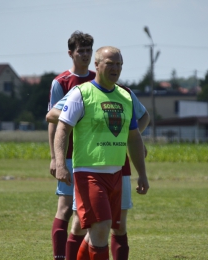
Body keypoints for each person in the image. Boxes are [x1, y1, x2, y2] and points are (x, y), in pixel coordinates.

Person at [53, 46, 149, 260]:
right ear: (96, 66)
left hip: (116, 174)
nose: (116, 68)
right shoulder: (81, 93)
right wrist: (60, 163)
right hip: (88, 173)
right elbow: (62, 128)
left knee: (98, 231)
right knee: (102, 227)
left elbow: (133, 137)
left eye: (119, 64)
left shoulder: (125, 96)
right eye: (110, 63)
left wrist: (142, 173)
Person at [47, 30, 95, 260]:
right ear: (71, 53)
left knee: (87, 212)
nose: (85, 54)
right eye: (80, 50)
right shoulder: (61, 82)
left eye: (88, 50)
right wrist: (55, 158)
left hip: (93, 157)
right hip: (68, 155)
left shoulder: (98, 79)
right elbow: (52, 121)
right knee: (65, 209)